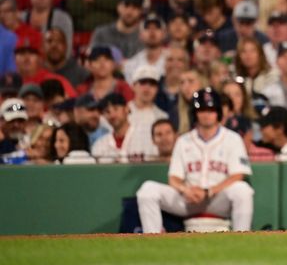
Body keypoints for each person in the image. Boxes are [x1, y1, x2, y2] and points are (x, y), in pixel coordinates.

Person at [136, 88, 255, 233]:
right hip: (189, 199)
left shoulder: (233, 139)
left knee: (242, 190)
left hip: (217, 199)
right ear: (195, 113)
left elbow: (238, 175)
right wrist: (185, 190)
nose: (206, 115)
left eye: (211, 110)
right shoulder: (183, 140)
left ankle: (241, 238)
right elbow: (174, 178)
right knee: (147, 190)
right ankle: (152, 239)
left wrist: (209, 191)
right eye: (202, 110)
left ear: (218, 112)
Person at [91, 92, 156, 163]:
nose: (112, 115)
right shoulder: (99, 145)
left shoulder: (147, 137)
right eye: (107, 111)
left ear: (127, 109)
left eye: (116, 109)